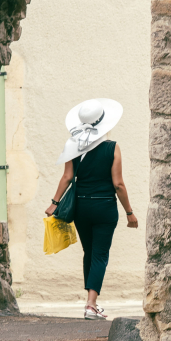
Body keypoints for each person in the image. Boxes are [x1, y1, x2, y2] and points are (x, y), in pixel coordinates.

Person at [46, 98, 138, 320]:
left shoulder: (72, 146)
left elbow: (67, 177)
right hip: (105, 208)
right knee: (100, 254)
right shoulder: (112, 148)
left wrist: (54, 203)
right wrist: (129, 212)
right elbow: (118, 184)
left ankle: (91, 302)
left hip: (82, 208)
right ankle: (91, 304)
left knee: (90, 252)